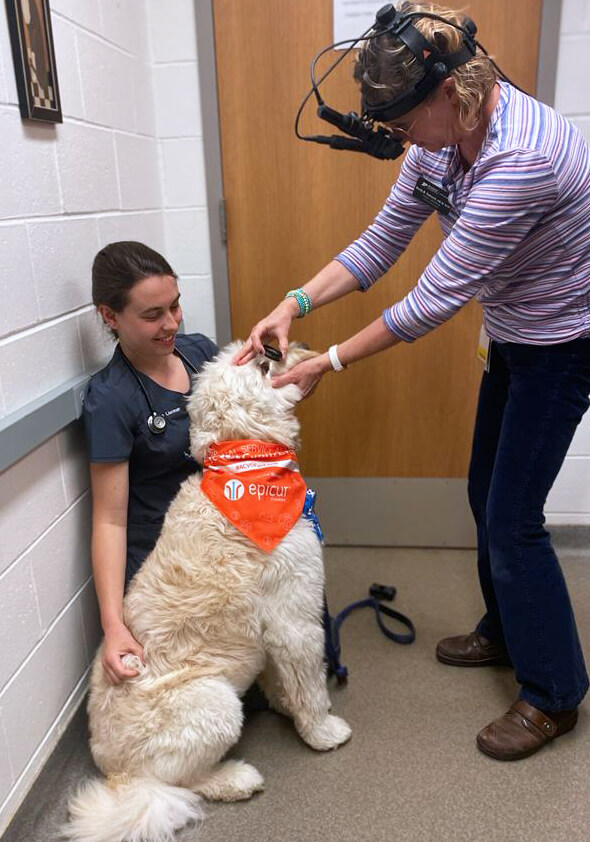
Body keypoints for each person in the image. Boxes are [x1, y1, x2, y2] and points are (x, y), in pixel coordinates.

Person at [235, 1, 590, 761]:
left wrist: (325, 362)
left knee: (512, 517)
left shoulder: (521, 157)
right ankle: (506, 630)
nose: (395, 139)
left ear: (450, 97)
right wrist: (294, 302)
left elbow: (430, 300)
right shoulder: (441, 139)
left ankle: (555, 694)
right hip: (515, 331)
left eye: (401, 124)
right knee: (482, 493)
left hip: (564, 342)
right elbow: (381, 243)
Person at [84, 241, 218, 685]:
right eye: (152, 315)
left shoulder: (200, 353)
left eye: (175, 307)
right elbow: (109, 520)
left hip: (222, 539)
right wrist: (113, 624)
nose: (171, 324)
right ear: (110, 316)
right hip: (165, 561)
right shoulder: (110, 399)